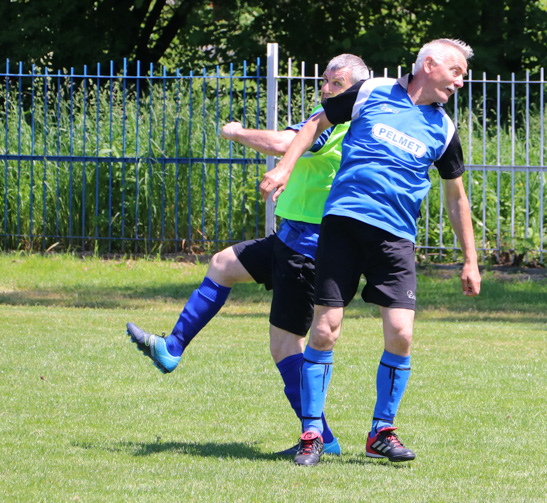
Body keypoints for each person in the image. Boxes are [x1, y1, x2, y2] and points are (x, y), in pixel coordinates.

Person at [125, 53, 371, 457]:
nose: (326, 89)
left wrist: (237, 132)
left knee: (285, 347)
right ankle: (171, 350)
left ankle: (323, 438)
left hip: (308, 250)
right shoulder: (331, 116)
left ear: (355, 89)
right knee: (222, 264)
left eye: (336, 83)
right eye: (324, 80)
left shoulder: (337, 122)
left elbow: (284, 143)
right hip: (288, 239)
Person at [259, 38, 482, 466]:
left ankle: (382, 430)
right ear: (429, 64)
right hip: (343, 226)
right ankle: (311, 434)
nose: (460, 81)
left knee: (401, 333)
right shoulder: (373, 91)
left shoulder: (444, 129)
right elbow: (316, 122)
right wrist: (285, 165)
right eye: (455, 71)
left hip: (396, 239)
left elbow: (457, 199)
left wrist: (470, 258)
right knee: (324, 330)